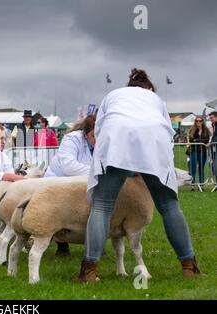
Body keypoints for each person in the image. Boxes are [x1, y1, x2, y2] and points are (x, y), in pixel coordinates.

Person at [78, 68, 203, 282]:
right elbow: (167, 132)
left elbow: (98, 129)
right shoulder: (155, 99)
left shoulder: (113, 95)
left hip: (115, 136)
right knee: (169, 206)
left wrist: (120, 159)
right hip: (153, 138)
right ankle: (189, 266)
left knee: (102, 206)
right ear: (148, 87)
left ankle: (89, 271)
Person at [44, 115, 95, 256]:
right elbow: (68, 167)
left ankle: (96, 244)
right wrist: (97, 171)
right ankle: (62, 245)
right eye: (93, 135)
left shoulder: (104, 142)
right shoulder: (72, 139)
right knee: (59, 215)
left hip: (84, 182)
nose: (97, 139)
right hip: (59, 180)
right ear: (85, 134)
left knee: (92, 212)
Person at [187, 116, 211, 191]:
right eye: (197, 121)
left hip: (202, 152)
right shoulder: (192, 129)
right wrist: (200, 140)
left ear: (203, 121)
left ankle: (201, 185)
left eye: (200, 121)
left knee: (201, 169)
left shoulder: (206, 130)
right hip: (193, 151)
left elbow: (206, 140)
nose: (198, 122)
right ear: (195, 122)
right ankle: (193, 185)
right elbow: (191, 140)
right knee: (193, 168)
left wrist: (199, 138)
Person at [208, 111, 217, 183]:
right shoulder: (213, 125)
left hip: (215, 147)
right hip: (214, 149)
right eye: (210, 118)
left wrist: (211, 143)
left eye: (211, 118)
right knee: (214, 167)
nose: (210, 119)